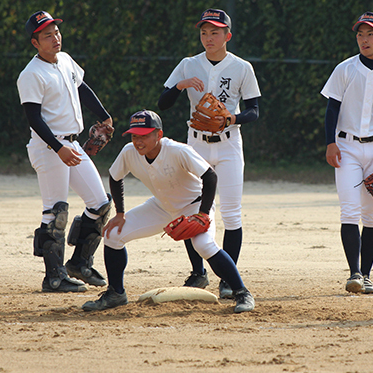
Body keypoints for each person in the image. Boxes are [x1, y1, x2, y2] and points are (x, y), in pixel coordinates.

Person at [81, 110, 255, 313]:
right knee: (113, 234)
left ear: (159, 135)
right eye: (135, 135)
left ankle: (242, 292)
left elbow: (210, 176)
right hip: (161, 206)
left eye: (144, 135)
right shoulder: (129, 152)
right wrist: (120, 213)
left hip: (193, 205)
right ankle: (116, 294)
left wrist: (204, 214)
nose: (138, 141)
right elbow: (115, 176)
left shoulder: (177, 150)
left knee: (203, 245)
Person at [157, 9, 261, 299]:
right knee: (192, 210)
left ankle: (228, 279)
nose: (208, 37)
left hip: (229, 145)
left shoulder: (241, 67)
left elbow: (254, 110)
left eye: (215, 32)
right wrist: (181, 85)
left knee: (230, 213)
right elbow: (163, 102)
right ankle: (198, 272)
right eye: (204, 32)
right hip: (197, 145)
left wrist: (232, 118)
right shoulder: (189, 64)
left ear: (227, 35)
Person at [16, 11, 113, 293]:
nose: (55, 37)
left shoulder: (66, 60)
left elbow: (82, 89)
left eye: (56, 32)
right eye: (47, 35)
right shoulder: (31, 74)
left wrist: (105, 116)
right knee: (55, 211)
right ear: (35, 42)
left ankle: (79, 263)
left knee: (100, 203)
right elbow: (34, 119)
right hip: (48, 148)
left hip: (71, 144)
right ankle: (54, 277)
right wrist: (58, 148)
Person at [320, 12, 373, 294]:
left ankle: (366, 274)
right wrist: (330, 142)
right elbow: (331, 108)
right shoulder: (345, 69)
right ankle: (354, 273)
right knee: (349, 209)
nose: (364, 39)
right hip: (346, 147)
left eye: (370, 34)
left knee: (372, 215)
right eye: (360, 34)